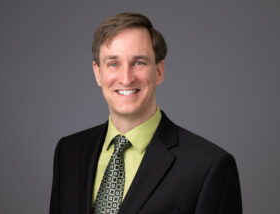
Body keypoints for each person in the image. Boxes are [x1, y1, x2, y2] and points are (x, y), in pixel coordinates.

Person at [49, 12, 242, 214]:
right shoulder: (68, 152)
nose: (126, 78)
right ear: (98, 73)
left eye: (139, 62)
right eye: (113, 64)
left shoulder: (208, 166)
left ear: (159, 71)